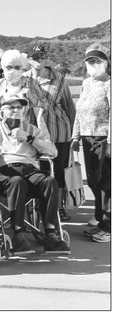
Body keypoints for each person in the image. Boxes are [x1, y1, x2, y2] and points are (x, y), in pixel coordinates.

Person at [0, 94, 70, 255]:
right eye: (11, 107)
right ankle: (18, 234)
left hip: (30, 169)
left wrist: (29, 138)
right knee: (17, 181)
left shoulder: (32, 130)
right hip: (4, 170)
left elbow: (53, 152)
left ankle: (51, 233)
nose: (16, 111)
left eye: (19, 107)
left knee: (49, 181)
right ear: (2, 112)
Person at [26, 45, 77, 222]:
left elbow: (69, 106)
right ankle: (40, 205)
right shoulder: (25, 79)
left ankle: (59, 206)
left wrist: (74, 133)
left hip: (59, 131)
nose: (39, 60)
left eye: (42, 56)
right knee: (40, 169)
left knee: (59, 169)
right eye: (35, 57)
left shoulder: (59, 78)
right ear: (28, 59)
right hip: (36, 132)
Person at [71, 44, 111, 243]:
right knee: (95, 181)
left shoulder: (109, 84)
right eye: (90, 61)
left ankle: (107, 227)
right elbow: (80, 112)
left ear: (105, 62)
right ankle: (98, 216)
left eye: (97, 60)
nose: (93, 64)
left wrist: (111, 142)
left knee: (105, 183)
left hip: (103, 137)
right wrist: (75, 137)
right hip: (87, 137)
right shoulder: (86, 83)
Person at [0, 50, 49, 135]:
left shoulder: (31, 83)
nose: (13, 71)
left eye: (17, 67)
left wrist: (32, 98)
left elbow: (45, 106)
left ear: (22, 67)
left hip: (26, 132)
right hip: (2, 133)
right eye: (9, 67)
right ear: (3, 67)